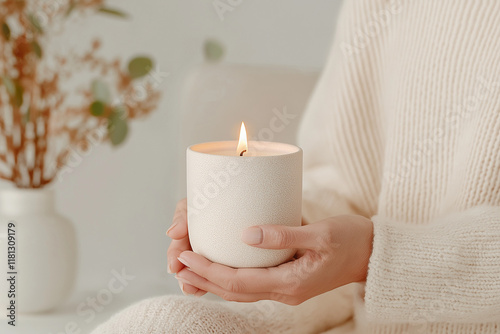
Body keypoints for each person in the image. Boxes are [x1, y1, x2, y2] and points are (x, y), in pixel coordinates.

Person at [92, 0, 500, 333]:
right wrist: (291, 235)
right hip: (358, 321)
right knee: (160, 324)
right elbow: (343, 188)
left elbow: (362, 246)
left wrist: (376, 255)